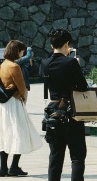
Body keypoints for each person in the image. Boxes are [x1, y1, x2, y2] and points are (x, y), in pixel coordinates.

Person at [38, 29, 89, 181]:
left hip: (53, 112)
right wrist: (76, 67)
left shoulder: (44, 63)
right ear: (67, 44)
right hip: (70, 111)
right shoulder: (71, 62)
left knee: (55, 155)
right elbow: (82, 86)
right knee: (77, 156)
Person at [0, 40, 43, 177]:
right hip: (14, 103)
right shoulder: (14, 66)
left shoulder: (3, 64)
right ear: (17, 51)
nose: (22, 53)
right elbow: (22, 87)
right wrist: (23, 98)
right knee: (19, 133)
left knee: (5, 133)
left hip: (4, 104)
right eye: (21, 51)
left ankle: (3, 168)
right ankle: (14, 167)